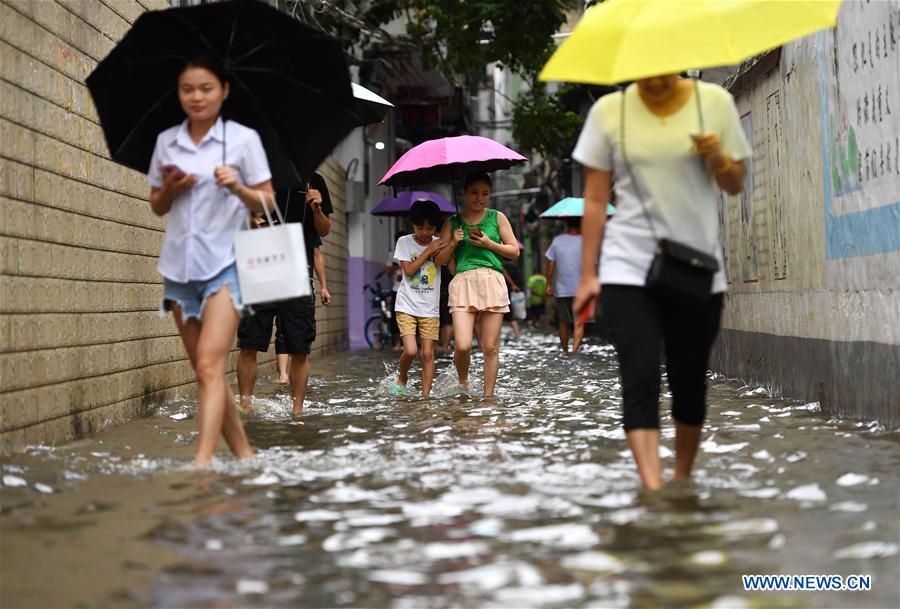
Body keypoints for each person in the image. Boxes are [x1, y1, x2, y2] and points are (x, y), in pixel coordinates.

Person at [571, 74, 750, 490]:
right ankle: (653, 490)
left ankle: (681, 476)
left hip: (696, 265)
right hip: (626, 266)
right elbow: (596, 199)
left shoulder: (714, 102)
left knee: (689, 380)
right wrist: (588, 274)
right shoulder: (608, 113)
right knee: (639, 376)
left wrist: (718, 158)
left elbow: (735, 182)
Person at [147, 54, 272, 466]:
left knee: (208, 363)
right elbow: (156, 206)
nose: (196, 97)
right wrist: (170, 189)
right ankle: (244, 455)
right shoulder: (168, 141)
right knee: (207, 373)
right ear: (178, 92)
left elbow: (267, 200)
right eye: (187, 89)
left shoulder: (242, 139)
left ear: (224, 91)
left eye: (206, 88)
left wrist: (237, 186)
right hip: (179, 270)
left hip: (226, 266)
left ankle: (202, 462)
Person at [237, 172, 333, 415]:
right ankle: (245, 405)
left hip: (297, 274)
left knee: (299, 348)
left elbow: (324, 231)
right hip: (261, 270)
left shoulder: (314, 181)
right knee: (248, 343)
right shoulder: (257, 176)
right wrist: (251, 222)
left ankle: (297, 410)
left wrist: (316, 209)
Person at [435, 173, 519, 397]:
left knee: (490, 347)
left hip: (492, 280)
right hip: (463, 282)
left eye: (485, 194)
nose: (479, 198)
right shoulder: (452, 222)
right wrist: (453, 241)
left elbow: (514, 251)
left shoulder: (497, 217)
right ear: (464, 192)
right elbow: (439, 261)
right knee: (462, 345)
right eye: (474, 193)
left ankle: (487, 397)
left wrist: (489, 243)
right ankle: (463, 384)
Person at [390, 200, 449, 396]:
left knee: (427, 353)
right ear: (412, 225)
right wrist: (428, 250)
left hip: (429, 308)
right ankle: (402, 377)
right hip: (406, 304)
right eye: (419, 227)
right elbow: (408, 270)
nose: (424, 232)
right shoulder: (404, 242)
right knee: (410, 351)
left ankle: (425, 396)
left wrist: (452, 243)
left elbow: (450, 265)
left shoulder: (439, 243)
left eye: (430, 228)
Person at [275, 245, 331, 383]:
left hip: (301, 286)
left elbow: (316, 253)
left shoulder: (309, 229)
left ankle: (289, 378)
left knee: (299, 339)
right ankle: (283, 374)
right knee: (282, 330)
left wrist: (323, 287)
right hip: (281, 284)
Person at [546, 217, 587, 353]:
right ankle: (575, 351)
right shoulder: (586, 241)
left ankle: (565, 351)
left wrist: (549, 285)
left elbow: (551, 264)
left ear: (567, 225)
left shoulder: (557, 241)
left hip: (562, 289)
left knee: (563, 321)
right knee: (579, 321)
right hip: (582, 289)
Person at [502, 260, 526, 341]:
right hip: (508, 291)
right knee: (511, 316)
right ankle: (518, 335)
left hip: (501, 290)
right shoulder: (515, 266)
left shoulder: (501, 265)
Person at [438, 265, 453, 354]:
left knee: (439, 321)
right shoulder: (452, 256)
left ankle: (441, 345)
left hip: (437, 290)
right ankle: (445, 346)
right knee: (447, 322)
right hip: (448, 290)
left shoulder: (436, 255)